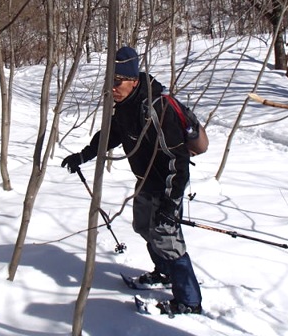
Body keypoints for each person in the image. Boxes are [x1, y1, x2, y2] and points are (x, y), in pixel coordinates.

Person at [61, 46, 202, 315]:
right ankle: (164, 273)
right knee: (142, 227)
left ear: (134, 81)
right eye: (109, 81)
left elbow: (178, 162)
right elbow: (111, 134)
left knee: (167, 239)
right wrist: (83, 155)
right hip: (145, 182)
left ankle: (189, 300)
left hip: (166, 186)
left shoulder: (158, 110)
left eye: (118, 81)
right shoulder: (126, 106)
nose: (112, 87)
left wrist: (171, 205)